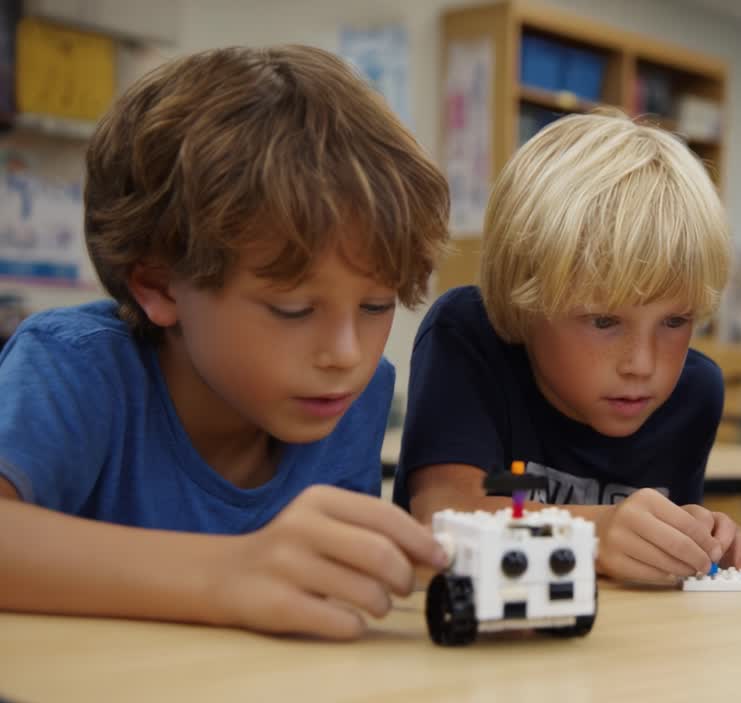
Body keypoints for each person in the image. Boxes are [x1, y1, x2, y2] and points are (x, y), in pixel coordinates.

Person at [0, 45, 452, 639]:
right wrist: (229, 574)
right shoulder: (74, 368)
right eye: (292, 308)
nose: (347, 355)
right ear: (160, 285)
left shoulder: (354, 402)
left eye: (375, 305)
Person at [396, 110, 741, 584]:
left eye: (675, 321)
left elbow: (645, 571)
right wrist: (594, 533)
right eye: (605, 320)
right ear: (525, 301)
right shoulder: (470, 337)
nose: (642, 364)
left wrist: (692, 536)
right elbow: (444, 515)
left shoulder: (695, 392)